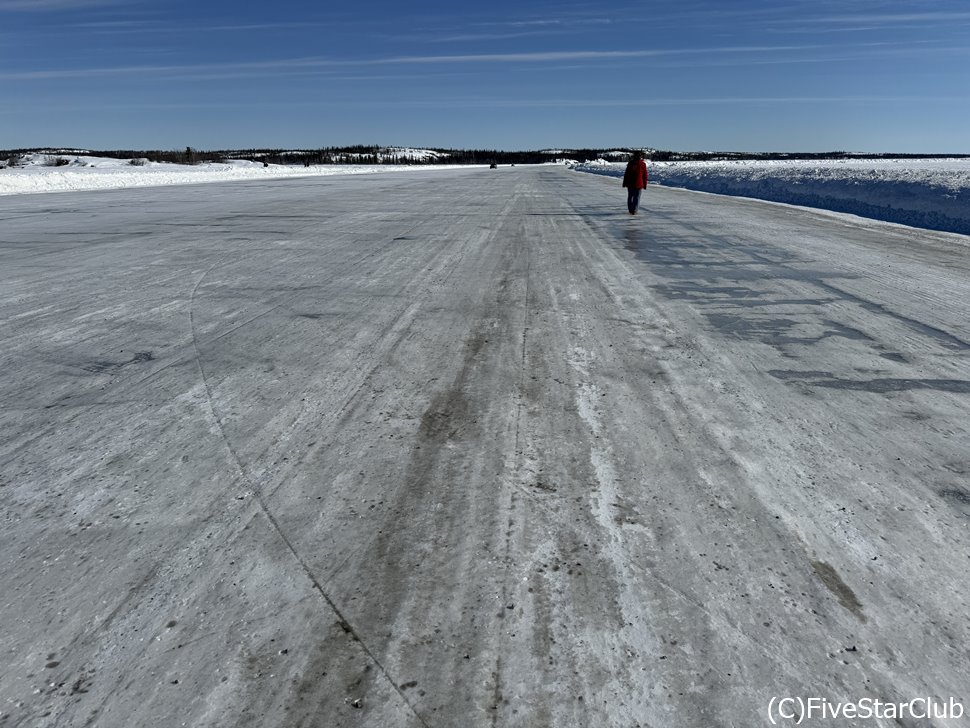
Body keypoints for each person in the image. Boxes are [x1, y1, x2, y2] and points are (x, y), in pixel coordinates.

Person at [622, 150, 649, 215]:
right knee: (636, 197)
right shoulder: (642, 164)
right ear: (640, 156)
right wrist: (645, 184)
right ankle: (634, 210)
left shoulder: (630, 163)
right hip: (638, 184)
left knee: (630, 197)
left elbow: (626, 174)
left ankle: (631, 209)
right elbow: (645, 175)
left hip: (630, 183)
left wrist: (624, 183)